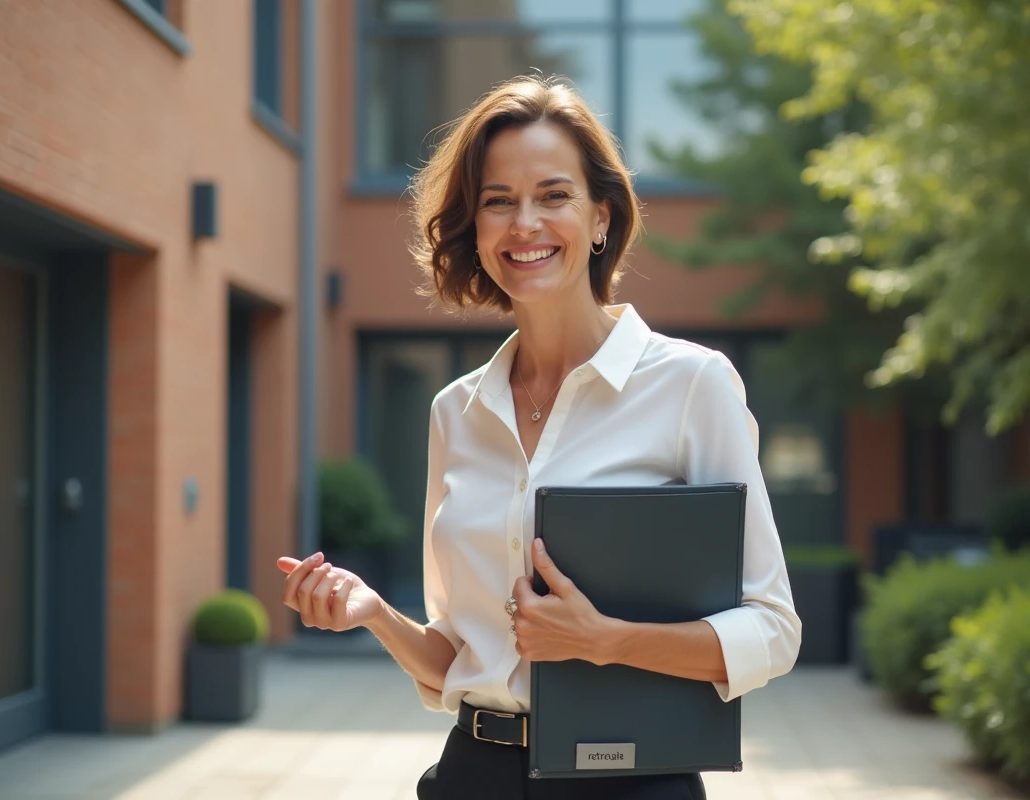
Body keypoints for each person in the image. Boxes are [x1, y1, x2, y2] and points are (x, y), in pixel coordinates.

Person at [277, 75, 802, 800]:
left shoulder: (691, 385)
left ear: (600, 218)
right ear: (477, 229)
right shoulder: (455, 412)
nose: (524, 223)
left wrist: (605, 640)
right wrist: (374, 613)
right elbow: (459, 661)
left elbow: (773, 630)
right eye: (498, 202)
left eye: (553, 195)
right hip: (472, 773)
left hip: (630, 782)